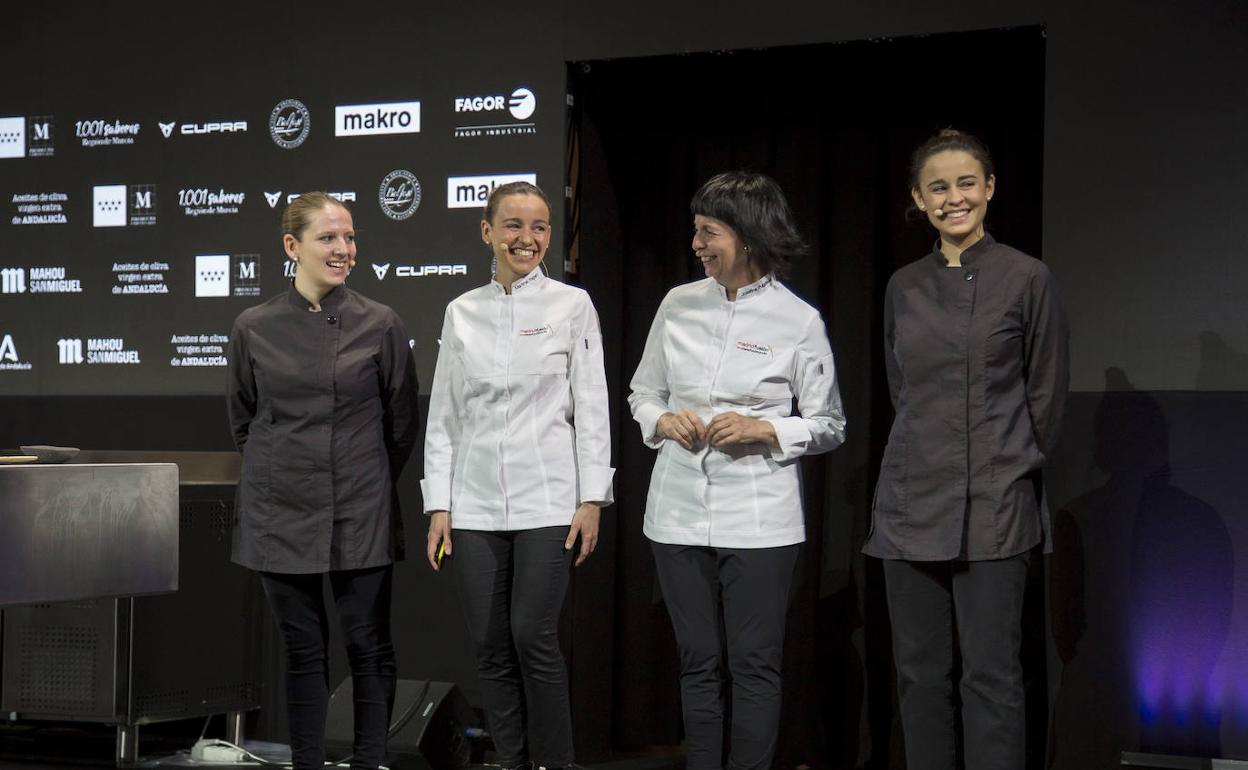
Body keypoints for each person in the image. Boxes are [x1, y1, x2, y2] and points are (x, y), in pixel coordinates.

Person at [863, 129, 1070, 770]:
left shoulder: (1027, 278)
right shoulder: (903, 285)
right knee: (920, 678)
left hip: (997, 506)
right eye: (939, 187)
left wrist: (1007, 468)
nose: (954, 198)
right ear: (919, 199)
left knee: (992, 678)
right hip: (909, 506)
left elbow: (1046, 398)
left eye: (966, 183)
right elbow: (904, 392)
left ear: (989, 189)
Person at [628, 171, 846, 770]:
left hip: (759, 522)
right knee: (697, 661)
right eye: (695, 231)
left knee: (753, 663)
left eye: (708, 232)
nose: (696, 244)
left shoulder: (796, 320)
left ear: (747, 235)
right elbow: (642, 392)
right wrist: (662, 419)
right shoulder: (677, 303)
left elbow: (830, 424)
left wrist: (766, 429)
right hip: (675, 514)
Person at [422, 181, 614, 770]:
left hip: (549, 501)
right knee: (489, 645)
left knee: (533, 636)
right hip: (475, 505)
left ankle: (555, 761)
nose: (526, 239)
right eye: (513, 225)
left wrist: (592, 499)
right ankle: (511, 760)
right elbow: (446, 414)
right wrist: (439, 505)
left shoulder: (571, 305)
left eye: (538, 227)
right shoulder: (462, 311)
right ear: (487, 231)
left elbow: (592, 405)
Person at [226, 192, 419, 770]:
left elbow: (402, 425)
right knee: (302, 650)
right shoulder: (253, 326)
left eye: (350, 238)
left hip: (360, 506)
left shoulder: (380, 323)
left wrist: (362, 477)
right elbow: (244, 420)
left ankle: (369, 761)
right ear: (293, 247)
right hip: (278, 510)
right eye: (329, 238)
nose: (344, 250)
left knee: (368, 645)